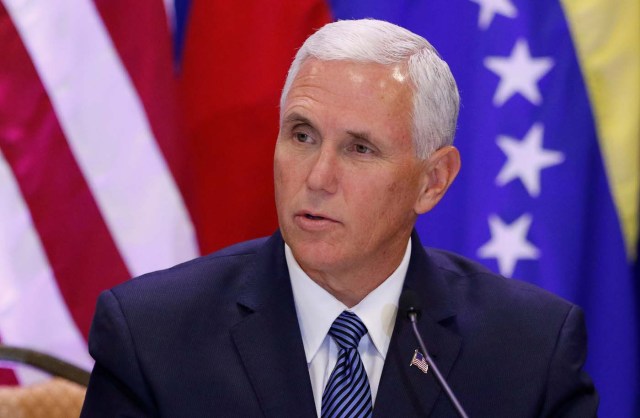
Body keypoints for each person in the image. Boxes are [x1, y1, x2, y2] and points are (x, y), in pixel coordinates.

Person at [80, 19, 598, 417]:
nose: (319, 177)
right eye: (302, 136)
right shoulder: (152, 338)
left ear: (432, 181)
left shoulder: (530, 352)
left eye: (360, 148)